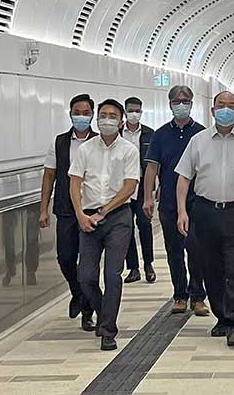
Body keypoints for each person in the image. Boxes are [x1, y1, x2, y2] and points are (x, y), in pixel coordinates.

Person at [174, 91, 234, 347]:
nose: (225, 110)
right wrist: (182, 211)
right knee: (211, 268)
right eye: (221, 105)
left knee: (233, 267)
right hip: (205, 211)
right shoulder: (198, 141)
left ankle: (233, 321)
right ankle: (221, 316)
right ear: (213, 110)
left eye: (231, 106)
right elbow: (184, 177)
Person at [69, 99, 140, 351]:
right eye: (103, 115)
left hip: (117, 218)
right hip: (88, 219)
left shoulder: (129, 150)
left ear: (121, 122)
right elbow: (75, 182)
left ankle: (108, 330)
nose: (107, 120)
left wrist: (104, 212)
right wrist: (80, 214)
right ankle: (102, 311)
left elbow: (129, 186)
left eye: (112, 116)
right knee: (85, 276)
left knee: (112, 274)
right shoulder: (85, 149)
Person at [143, 85, 209, 316]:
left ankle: (198, 296)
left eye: (185, 101)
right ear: (170, 104)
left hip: (197, 201)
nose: (181, 105)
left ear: (192, 103)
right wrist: (147, 197)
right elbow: (152, 168)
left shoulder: (201, 133)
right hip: (169, 202)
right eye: (177, 101)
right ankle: (180, 294)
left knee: (197, 249)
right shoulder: (160, 135)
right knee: (174, 250)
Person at [39, 93, 97, 331]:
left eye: (86, 113)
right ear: (70, 114)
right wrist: (43, 209)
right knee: (65, 257)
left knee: (88, 264)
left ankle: (88, 311)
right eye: (77, 113)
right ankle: (78, 293)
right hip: (65, 209)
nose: (81, 117)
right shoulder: (59, 142)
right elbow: (49, 175)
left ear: (92, 115)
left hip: (92, 209)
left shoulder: (100, 141)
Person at [121, 96, 156, 284]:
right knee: (126, 227)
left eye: (137, 111)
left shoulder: (150, 134)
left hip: (143, 186)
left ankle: (148, 264)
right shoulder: (118, 133)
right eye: (131, 110)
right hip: (122, 186)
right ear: (125, 112)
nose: (134, 114)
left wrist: (155, 188)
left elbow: (155, 162)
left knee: (144, 224)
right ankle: (133, 268)